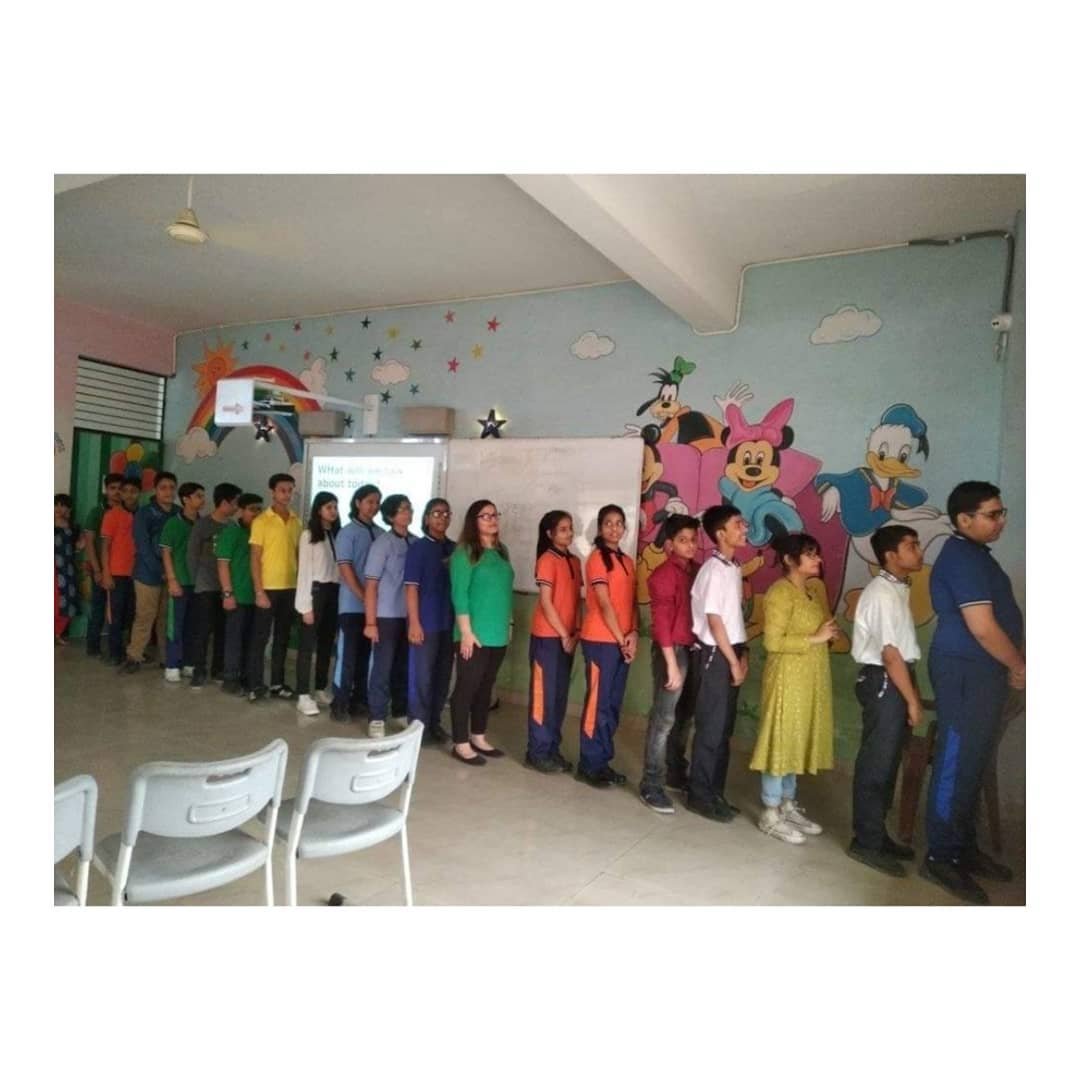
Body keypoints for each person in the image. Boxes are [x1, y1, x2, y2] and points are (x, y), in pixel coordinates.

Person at [921, 481, 1024, 905]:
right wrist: (1018, 665)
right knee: (955, 761)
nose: (1001, 521)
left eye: (1002, 513)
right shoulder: (961, 558)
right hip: (964, 672)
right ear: (964, 520)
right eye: (992, 514)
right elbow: (981, 627)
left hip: (983, 674)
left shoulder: (978, 556)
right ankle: (940, 857)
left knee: (973, 762)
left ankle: (962, 847)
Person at [751, 533, 838, 844]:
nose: (818, 560)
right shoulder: (779, 593)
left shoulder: (811, 591)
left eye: (817, 553)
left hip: (808, 677)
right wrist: (815, 638)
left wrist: (827, 634)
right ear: (789, 560)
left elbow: (817, 630)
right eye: (810, 554)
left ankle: (787, 806)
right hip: (786, 677)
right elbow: (772, 642)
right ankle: (770, 811)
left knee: (796, 738)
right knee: (781, 738)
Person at [848, 524, 924, 877]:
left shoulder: (897, 588)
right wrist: (913, 701)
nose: (919, 551)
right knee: (876, 764)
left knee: (889, 762)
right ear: (891, 555)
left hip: (895, 679)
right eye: (912, 546)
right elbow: (890, 654)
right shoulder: (881, 593)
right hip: (885, 681)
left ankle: (877, 835)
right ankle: (865, 842)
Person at [640, 513, 701, 810]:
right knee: (663, 719)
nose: (690, 545)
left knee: (685, 716)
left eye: (693, 540)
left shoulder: (697, 572)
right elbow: (662, 624)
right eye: (682, 540)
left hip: (693, 648)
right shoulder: (663, 575)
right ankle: (651, 783)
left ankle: (676, 772)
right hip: (671, 651)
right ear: (670, 544)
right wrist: (671, 664)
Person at [448, 500, 514, 765]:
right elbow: (459, 595)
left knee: (486, 687)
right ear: (473, 521)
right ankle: (460, 743)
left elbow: (504, 592)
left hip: (498, 633)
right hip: (473, 635)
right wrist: (465, 632)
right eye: (484, 516)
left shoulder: (502, 551)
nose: (491, 519)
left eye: (494, 514)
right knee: (467, 687)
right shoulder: (464, 553)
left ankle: (478, 736)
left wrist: (509, 626)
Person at [577, 504, 638, 788]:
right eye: (608, 523)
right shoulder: (597, 559)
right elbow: (604, 603)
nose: (614, 528)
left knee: (612, 705)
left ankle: (602, 761)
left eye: (619, 523)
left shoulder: (627, 561)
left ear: (625, 528)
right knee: (597, 704)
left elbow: (630, 602)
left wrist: (633, 633)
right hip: (601, 641)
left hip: (621, 641)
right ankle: (589, 764)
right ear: (600, 528)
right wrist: (620, 638)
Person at [525, 510, 583, 774]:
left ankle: (552, 749)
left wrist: (576, 632)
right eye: (563, 529)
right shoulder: (547, 560)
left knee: (559, 697)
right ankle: (537, 752)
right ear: (550, 534)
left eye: (570, 528)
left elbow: (577, 600)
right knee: (543, 697)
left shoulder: (575, 561)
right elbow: (547, 603)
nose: (569, 533)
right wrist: (563, 634)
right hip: (548, 638)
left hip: (567, 638)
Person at [404, 498, 456, 746]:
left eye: (446, 513)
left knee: (442, 677)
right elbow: (411, 589)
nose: (442, 518)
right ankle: (418, 728)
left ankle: (434, 723)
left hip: (449, 624)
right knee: (421, 678)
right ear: (426, 518)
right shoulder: (418, 548)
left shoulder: (455, 549)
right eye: (436, 513)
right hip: (425, 623)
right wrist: (414, 623)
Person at [364, 494, 416, 738]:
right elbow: (371, 586)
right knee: (382, 668)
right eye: (403, 509)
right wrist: (370, 622)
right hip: (385, 615)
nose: (408, 513)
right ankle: (376, 717)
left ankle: (400, 711)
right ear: (390, 515)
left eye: (410, 508)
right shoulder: (382, 544)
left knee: (403, 666)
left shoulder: (415, 542)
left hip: (409, 616)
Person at [247, 473, 302, 701]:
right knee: (260, 637)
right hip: (267, 588)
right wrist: (259, 591)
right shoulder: (261, 521)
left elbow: (298, 555)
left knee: (282, 637)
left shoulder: (297, 521)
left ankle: (277, 683)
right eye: (282, 490)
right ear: (273, 492)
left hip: (290, 587)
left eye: (290, 490)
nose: (287, 495)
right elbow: (255, 558)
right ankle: (255, 684)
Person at [332, 484, 383, 723]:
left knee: (366, 658)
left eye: (377, 502)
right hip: (351, 606)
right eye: (370, 501)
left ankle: (359, 700)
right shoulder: (347, 532)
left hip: (374, 610)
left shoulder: (381, 533)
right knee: (347, 657)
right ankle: (339, 702)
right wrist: (364, 596)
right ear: (357, 503)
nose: (374, 506)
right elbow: (345, 568)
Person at [186, 482, 241, 688]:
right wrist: (197, 581)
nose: (237, 507)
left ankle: (218, 669)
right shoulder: (203, 525)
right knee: (202, 630)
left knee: (223, 630)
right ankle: (198, 670)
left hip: (226, 588)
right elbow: (191, 555)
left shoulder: (233, 527)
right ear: (224, 502)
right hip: (206, 586)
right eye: (235, 502)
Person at [123, 470, 178, 673]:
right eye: (163, 488)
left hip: (173, 575)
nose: (168, 492)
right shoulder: (145, 513)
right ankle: (134, 657)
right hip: (147, 574)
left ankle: (166, 658)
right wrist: (160, 571)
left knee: (166, 618)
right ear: (155, 490)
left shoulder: (178, 513)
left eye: (172, 487)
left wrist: (172, 573)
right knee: (145, 616)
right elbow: (143, 546)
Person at [295, 491, 341, 718]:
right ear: (318, 509)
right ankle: (303, 695)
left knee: (326, 644)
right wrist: (305, 606)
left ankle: (320, 688)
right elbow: (304, 572)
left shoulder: (336, 534)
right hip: (315, 592)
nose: (333, 511)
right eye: (328, 507)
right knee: (306, 646)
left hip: (334, 591)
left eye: (335, 507)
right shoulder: (308, 535)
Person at [216, 492, 263, 695]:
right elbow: (222, 565)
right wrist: (228, 594)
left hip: (256, 596)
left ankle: (246, 677)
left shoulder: (259, 533)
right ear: (241, 511)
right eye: (252, 509)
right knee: (234, 639)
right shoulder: (231, 532)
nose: (256, 513)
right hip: (237, 596)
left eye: (259, 509)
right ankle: (230, 678)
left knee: (250, 640)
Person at [160, 481, 205, 682]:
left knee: (193, 625)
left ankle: (189, 663)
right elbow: (166, 552)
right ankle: (172, 664)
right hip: (180, 581)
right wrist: (172, 580)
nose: (202, 500)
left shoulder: (203, 524)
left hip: (199, 583)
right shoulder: (173, 523)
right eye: (198, 496)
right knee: (175, 625)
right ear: (186, 499)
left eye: (203, 496)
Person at [82, 472, 123, 658]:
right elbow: (89, 542)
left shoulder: (127, 512)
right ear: (106, 490)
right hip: (100, 568)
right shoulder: (97, 512)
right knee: (98, 609)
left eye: (120, 488)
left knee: (119, 611)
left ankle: (119, 648)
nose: (117, 492)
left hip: (121, 569)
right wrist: (97, 569)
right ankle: (93, 646)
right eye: (113, 488)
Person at [100, 479, 141, 665]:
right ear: (121, 494)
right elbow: (105, 546)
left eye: (134, 491)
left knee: (133, 615)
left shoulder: (143, 514)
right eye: (126, 491)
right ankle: (115, 653)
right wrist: (106, 573)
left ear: (139, 493)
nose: (129, 495)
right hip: (116, 572)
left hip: (138, 573)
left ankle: (131, 652)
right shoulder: (112, 515)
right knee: (115, 616)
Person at [54, 494, 83, 644]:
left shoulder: (73, 527)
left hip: (67, 569)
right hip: (54, 569)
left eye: (63, 505)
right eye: (56, 504)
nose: (59, 508)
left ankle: (58, 634)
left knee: (67, 601)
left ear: (69, 509)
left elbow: (77, 547)